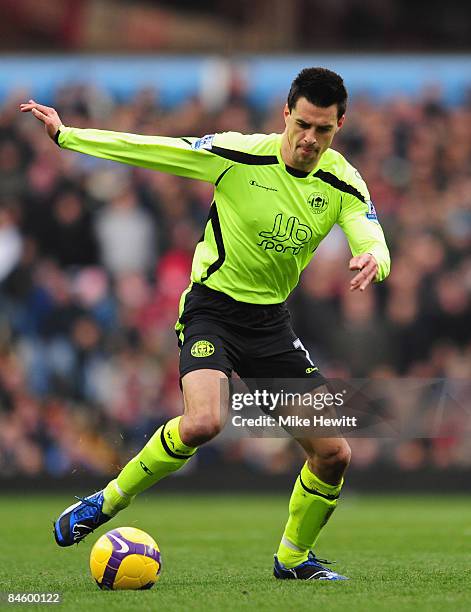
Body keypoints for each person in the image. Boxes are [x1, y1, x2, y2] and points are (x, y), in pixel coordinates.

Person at [20, 67, 390, 581]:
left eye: (322, 130)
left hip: (270, 325)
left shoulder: (343, 181)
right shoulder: (238, 155)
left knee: (334, 454)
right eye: (302, 124)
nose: (309, 139)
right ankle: (108, 499)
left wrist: (374, 259)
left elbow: (370, 234)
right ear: (286, 113)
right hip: (211, 309)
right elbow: (151, 149)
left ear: (339, 125)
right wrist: (69, 136)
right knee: (204, 422)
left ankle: (292, 559)